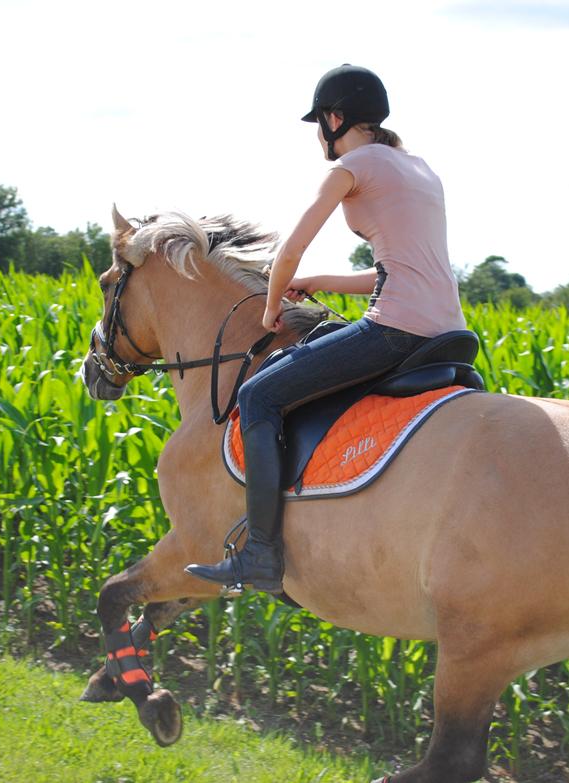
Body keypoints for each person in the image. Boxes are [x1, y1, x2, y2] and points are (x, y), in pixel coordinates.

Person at [184, 64, 467, 593]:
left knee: (260, 394)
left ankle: (262, 556)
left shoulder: (351, 167)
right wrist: (322, 282)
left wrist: (270, 308)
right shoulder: (420, 168)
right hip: (445, 330)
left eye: (320, 123)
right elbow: (399, 270)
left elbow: (289, 249)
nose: (320, 134)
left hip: (396, 330)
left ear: (335, 119)